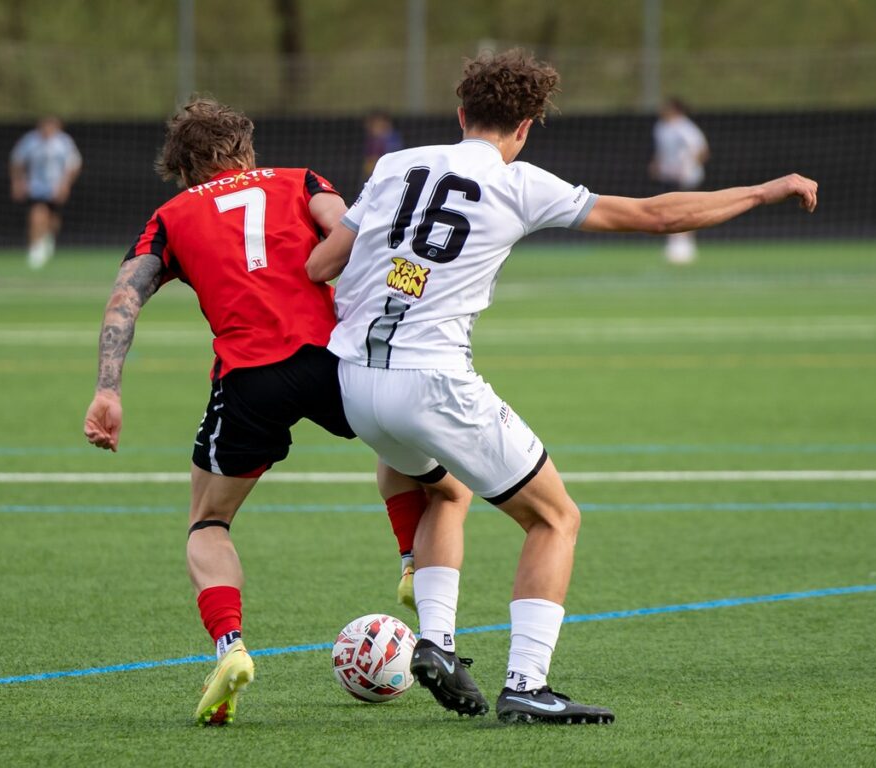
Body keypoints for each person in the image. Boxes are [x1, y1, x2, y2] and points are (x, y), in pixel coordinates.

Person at [306, 48, 817, 725]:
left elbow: (320, 265)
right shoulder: (519, 183)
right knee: (555, 518)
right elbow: (656, 216)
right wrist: (761, 191)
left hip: (355, 382)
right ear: (526, 126)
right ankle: (526, 684)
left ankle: (437, 642)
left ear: (460, 114)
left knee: (446, 492)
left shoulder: (395, 166)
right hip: (432, 383)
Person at [82, 97, 455, 726]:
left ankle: (230, 648)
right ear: (245, 149)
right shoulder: (300, 181)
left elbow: (126, 295)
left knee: (208, 521)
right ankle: (412, 563)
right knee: (399, 444)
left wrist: (108, 389)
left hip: (249, 380)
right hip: (333, 360)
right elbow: (353, 232)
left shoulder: (171, 215)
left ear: (184, 168)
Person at [9, 116, 82, 269]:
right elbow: (17, 161)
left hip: (56, 186)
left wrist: (65, 185)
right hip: (36, 186)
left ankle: (48, 238)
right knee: (37, 212)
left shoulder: (64, 142)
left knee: (53, 218)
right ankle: (35, 248)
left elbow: (74, 165)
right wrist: (18, 182)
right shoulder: (30, 141)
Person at [649, 97, 710, 263]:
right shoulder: (661, 127)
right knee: (667, 208)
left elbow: (702, 150)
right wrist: (657, 164)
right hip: (668, 175)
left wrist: (689, 168)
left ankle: (687, 245)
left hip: (686, 177)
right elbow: (661, 151)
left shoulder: (686, 128)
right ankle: (674, 243)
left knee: (686, 209)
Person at [362, 110, 403, 180]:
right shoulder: (372, 140)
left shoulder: (393, 139)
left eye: (378, 124)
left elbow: (392, 161)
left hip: (392, 174)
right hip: (374, 175)